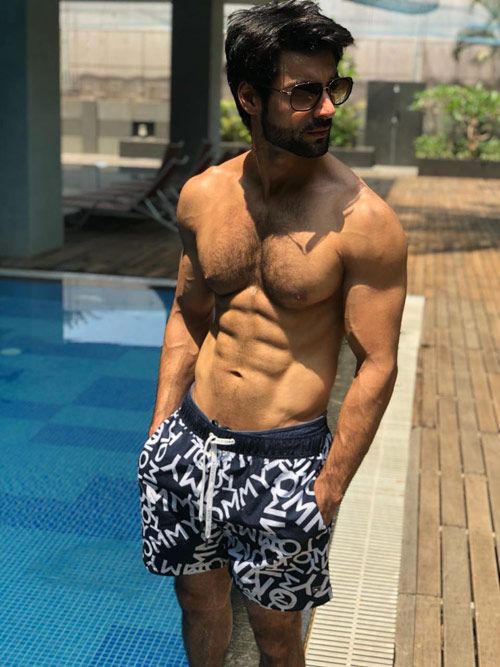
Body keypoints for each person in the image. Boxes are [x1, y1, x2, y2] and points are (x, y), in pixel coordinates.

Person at [137, 1, 407, 665]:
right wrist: (160, 429)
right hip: (191, 443)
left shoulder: (365, 222)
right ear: (249, 97)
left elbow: (376, 362)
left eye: (333, 88)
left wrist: (330, 485)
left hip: (285, 461)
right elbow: (189, 312)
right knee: (198, 603)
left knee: (276, 634)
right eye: (304, 92)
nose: (327, 109)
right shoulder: (203, 195)